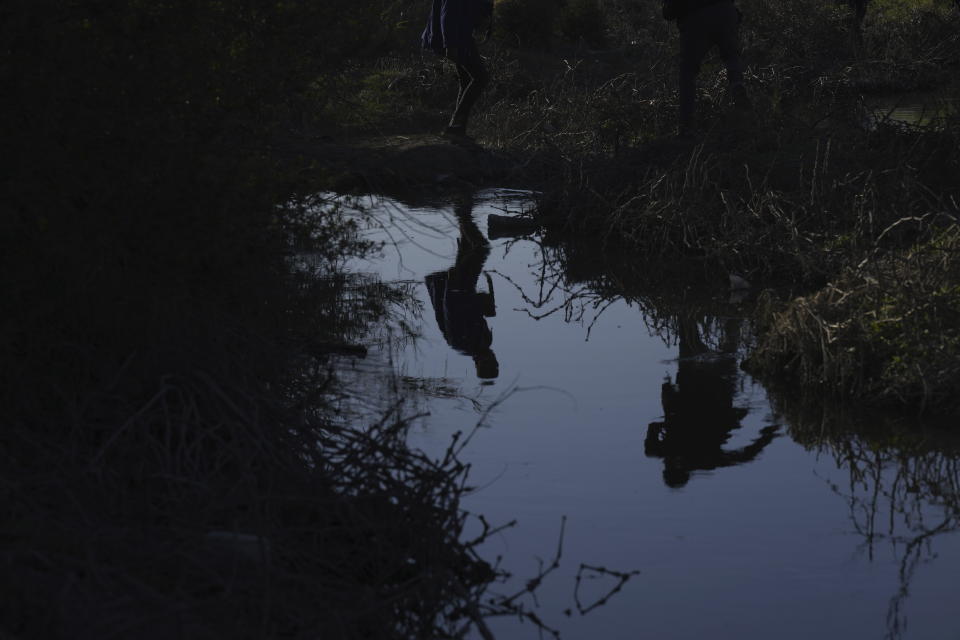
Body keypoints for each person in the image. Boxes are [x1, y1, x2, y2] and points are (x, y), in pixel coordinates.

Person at [644, 315, 778, 488]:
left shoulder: (705, 461)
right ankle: (699, 309)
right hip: (702, 390)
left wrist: (770, 432)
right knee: (695, 342)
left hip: (713, 393)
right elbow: (653, 427)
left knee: (725, 350)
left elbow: (747, 455)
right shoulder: (696, 458)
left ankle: (732, 312)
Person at [424, 193, 499, 380]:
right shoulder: (485, 341)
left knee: (481, 249)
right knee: (470, 249)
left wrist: (452, 283)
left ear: (478, 364)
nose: (491, 358)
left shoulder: (461, 343)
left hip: (456, 288)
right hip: (465, 289)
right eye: (494, 362)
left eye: (488, 363)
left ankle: (462, 211)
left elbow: (451, 310)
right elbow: (475, 312)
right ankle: (464, 206)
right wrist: (486, 306)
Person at [663, 0, 751, 135]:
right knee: (731, 55)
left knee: (687, 71)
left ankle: (686, 126)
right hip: (725, 12)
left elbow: (669, 12)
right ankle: (736, 82)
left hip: (696, 19)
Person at [421, 0, 493, 142]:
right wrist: (450, 45)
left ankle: (457, 129)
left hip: (458, 36)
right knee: (481, 77)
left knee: (467, 79)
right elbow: (447, 13)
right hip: (455, 38)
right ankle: (455, 127)